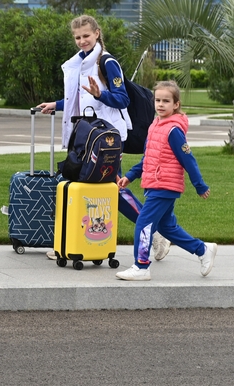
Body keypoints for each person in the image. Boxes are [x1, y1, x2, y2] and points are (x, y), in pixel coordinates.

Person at [37, 14, 172, 261]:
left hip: (107, 138)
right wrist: (56, 105)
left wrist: (101, 95)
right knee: (77, 184)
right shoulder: (79, 63)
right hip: (85, 136)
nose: (81, 41)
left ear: (97, 33)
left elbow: (122, 99)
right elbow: (79, 99)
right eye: (77, 37)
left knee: (114, 189)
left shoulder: (107, 62)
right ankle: (70, 241)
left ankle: (157, 234)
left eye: (86, 36)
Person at [115, 81, 215, 281]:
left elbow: (188, 159)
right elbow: (148, 158)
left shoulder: (173, 131)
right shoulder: (155, 125)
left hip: (164, 186)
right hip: (154, 184)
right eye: (158, 100)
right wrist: (130, 175)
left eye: (166, 101)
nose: (160, 104)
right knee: (167, 227)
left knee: (143, 223)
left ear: (176, 104)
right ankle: (203, 249)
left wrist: (200, 185)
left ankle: (141, 266)